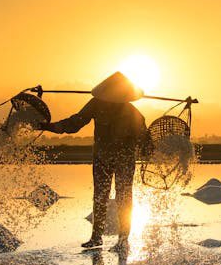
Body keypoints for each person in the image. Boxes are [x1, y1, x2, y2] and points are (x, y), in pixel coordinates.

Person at [40, 72, 151, 252]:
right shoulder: (96, 105)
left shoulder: (133, 113)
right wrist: (48, 126)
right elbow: (74, 123)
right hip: (102, 158)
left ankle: (123, 240)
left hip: (124, 159)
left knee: (124, 197)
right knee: (100, 196)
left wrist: (146, 144)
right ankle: (96, 237)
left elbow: (145, 142)